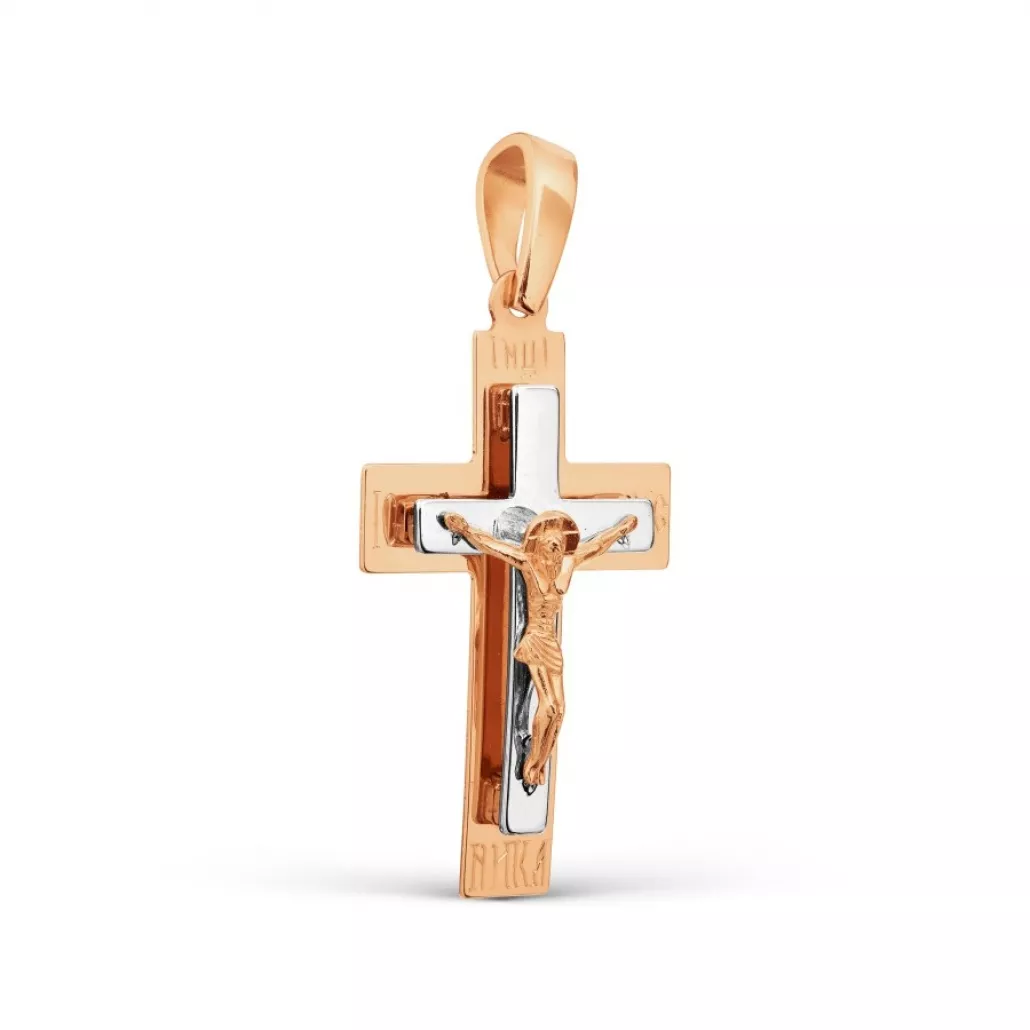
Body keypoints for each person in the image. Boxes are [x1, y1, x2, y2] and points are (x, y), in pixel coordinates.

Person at [442, 509, 638, 785]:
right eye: (550, 540)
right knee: (549, 706)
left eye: (559, 540)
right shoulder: (528, 562)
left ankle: (538, 760)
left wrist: (621, 529)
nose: (555, 544)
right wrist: (464, 529)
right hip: (535, 639)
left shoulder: (569, 564)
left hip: (552, 644)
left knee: (560, 709)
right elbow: (492, 545)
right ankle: (532, 766)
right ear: (539, 543)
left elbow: (597, 545)